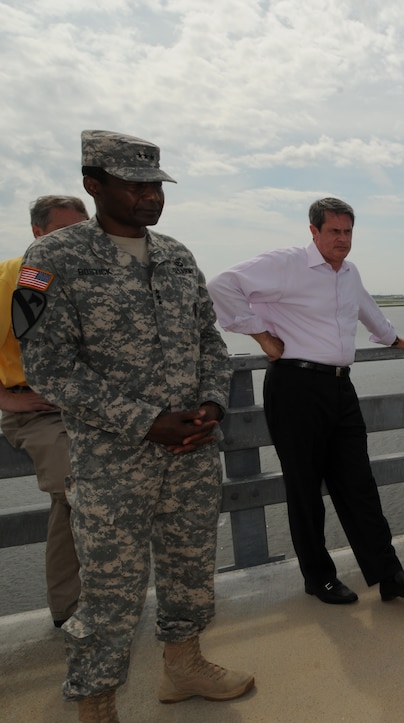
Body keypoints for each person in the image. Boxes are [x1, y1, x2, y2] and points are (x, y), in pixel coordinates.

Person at [15, 131, 254, 721]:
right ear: (93, 186)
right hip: (112, 459)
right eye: (134, 185)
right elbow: (48, 366)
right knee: (111, 593)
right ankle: (96, 704)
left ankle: (185, 667)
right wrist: (148, 422)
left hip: (193, 450)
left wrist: (213, 407)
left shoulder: (176, 255)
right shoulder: (54, 258)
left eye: (156, 185)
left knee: (191, 570)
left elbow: (209, 343)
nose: (151, 197)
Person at [208, 197, 404, 607]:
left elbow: (365, 307)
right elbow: (221, 285)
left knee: (358, 483)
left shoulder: (348, 272)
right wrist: (260, 334)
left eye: (348, 232)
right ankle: (320, 578)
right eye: (334, 231)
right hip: (294, 386)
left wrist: (391, 338)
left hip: (339, 386)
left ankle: (388, 574)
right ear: (313, 231)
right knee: (305, 488)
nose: (343, 240)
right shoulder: (286, 263)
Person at [0, 195, 88, 628]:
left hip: (86, 407)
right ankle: (71, 609)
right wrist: (6, 398)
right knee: (75, 487)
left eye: (82, 228)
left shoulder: (90, 276)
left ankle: (97, 598)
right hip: (36, 411)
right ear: (38, 233)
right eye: (64, 230)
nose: (77, 238)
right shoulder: (15, 277)